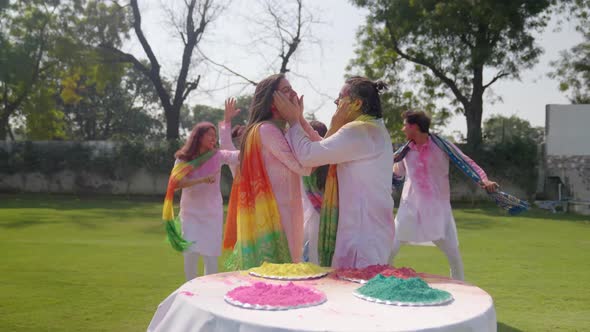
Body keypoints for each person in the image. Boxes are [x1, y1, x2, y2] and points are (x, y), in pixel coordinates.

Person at [274, 76, 395, 269]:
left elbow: (308, 156)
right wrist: (301, 120)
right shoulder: (372, 129)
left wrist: (294, 121)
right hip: (367, 231)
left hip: (363, 238)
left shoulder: (360, 131)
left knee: (357, 292)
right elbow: (322, 148)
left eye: (340, 99)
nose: (336, 104)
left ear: (356, 103)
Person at [221, 74, 319, 270]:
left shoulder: (281, 131)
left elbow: (319, 152)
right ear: (271, 100)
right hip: (276, 219)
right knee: (278, 278)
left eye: (292, 89)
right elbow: (305, 166)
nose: (293, 94)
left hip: (289, 213)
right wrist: (296, 121)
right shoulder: (267, 131)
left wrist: (298, 118)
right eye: (285, 91)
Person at [391, 111, 500, 281]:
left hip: (437, 209)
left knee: (453, 254)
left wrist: (484, 180)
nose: (403, 129)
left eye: (405, 125)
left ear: (414, 127)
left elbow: (467, 162)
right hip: (409, 208)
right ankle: (376, 281)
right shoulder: (404, 152)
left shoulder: (442, 147)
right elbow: (396, 173)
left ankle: (461, 287)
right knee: (391, 247)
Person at [162, 114, 240, 281]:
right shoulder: (183, 159)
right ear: (199, 136)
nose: (213, 139)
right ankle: (190, 292)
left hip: (212, 214)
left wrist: (255, 140)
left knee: (211, 256)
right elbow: (176, 183)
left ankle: (208, 291)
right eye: (209, 135)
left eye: (215, 135)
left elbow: (237, 156)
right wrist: (201, 180)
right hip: (190, 214)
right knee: (190, 254)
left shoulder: (217, 156)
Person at [301, 120, 328, 264]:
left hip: (315, 218)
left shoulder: (306, 164)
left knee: (313, 260)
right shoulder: (330, 162)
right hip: (310, 217)